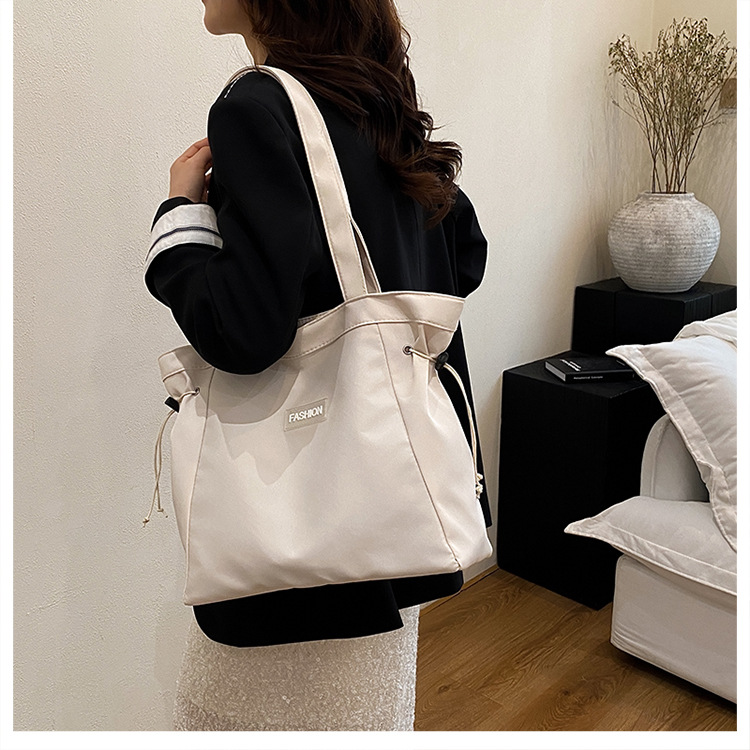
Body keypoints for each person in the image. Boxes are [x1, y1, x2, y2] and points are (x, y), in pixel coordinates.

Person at [144, 0, 491, 731]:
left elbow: (243, 332)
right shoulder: (380, 103)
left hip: (297, 546)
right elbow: (464, 260)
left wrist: (180, 216)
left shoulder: (256, 106)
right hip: (391, 516)